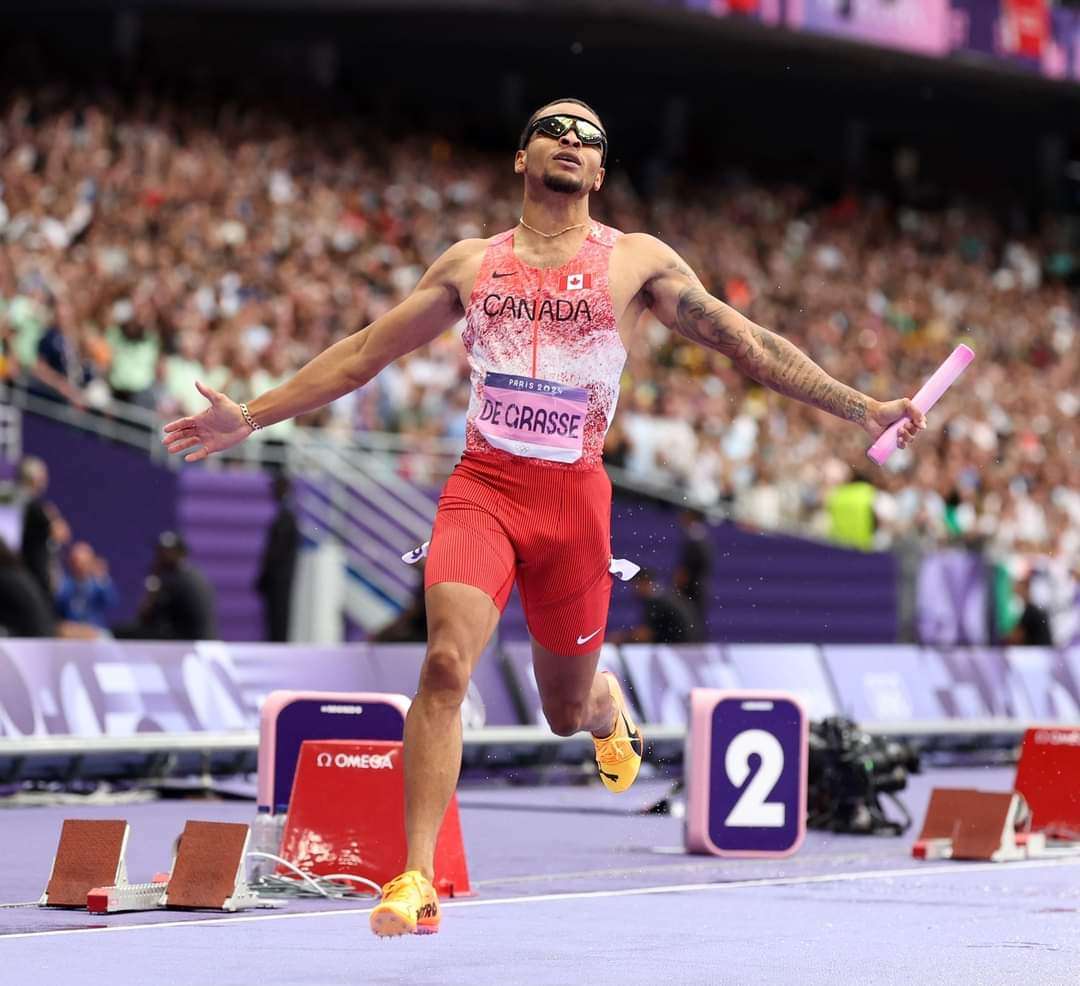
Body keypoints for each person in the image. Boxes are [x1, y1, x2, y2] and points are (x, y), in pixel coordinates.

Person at [162, 97, 927, 937]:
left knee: (562, 709)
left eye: (589, 137)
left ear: (599, 172)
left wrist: (863, 408)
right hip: (484, 489)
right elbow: (361, 354)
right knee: (446, 664)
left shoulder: (635, 262)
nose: (571, 140)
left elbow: (748, 342)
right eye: (553, 130)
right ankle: (413, 877)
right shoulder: (469, 265)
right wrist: (255, 415)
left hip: (574, 508)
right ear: (520, 159)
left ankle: (604, 708)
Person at [114, 532, 218, 640]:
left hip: (189, 644)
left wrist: (153, 581)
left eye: (167, 552)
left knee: (121, 634)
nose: (160, 556)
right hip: (195, 639)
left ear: (181, 553)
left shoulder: (176, 580)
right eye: (160, 551)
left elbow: (146, 617)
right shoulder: (191, 573)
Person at [254, 475, 300, 642]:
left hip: (278, 581)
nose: (272, 492)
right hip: (279, 580)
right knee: (276, 620)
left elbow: (275, 553)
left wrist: (264, 575)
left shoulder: (286, 518)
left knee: (278, 620)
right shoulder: (286, 515)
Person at [17, 456, 69, 600]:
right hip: (34, 578)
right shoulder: (34, 508)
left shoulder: (19, 503)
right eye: (43, 476)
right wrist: (53, 517)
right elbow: (61, 533)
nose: (45, 480)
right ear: (35, 479)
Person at [56, 541, 118, 629]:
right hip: (71, 630)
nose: (80, 566)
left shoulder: (98, 584)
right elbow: (59, 603)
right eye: (76, 562)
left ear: (91, 562)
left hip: (94, 628)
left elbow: (111, 601)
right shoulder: (64, 585)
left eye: (84, 562)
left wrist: (103, 579)